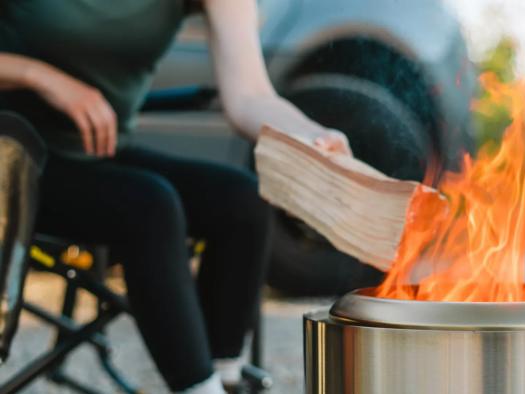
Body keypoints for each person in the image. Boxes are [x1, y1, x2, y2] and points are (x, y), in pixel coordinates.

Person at [0, 0, 351, 393]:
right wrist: (40, 77)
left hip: (90, 152)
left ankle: (224, 377)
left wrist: (309, 136)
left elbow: (250, 95)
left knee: (240, 202)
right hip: (6, 157)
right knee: (148, 205)